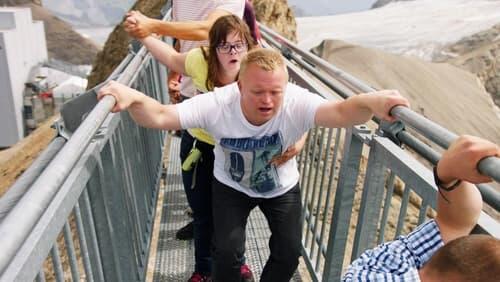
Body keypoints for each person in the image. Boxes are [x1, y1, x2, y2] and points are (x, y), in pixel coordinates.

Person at [97, 48, 410, 281]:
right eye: (258, 91)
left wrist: (372, 102)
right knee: (226, 254)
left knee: (288, 253)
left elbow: (343, 112)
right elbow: (163, 116)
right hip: (231, 186)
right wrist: (134, 99)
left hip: (280, 187)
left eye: (275, 92)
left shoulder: (295, 102)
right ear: (239, 87)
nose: (268, 101)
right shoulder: (218, 104)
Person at [137, 14, 264, 281]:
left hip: (236, 152)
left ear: (248, 46)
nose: (232, 52)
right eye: (224, 45)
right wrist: (144, 35)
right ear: (212, 48)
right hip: (200, 147)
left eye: (238, 45)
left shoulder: (255, 65)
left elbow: (280, 93)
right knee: (204, 212)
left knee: (234, 214)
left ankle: (236, 264)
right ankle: (203, 271)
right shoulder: (199, 61)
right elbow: (172, 59)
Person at [343, 135, 500, 281]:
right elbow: (455, 222)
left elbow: (455, 222)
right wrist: (446, 173)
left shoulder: (379, 267)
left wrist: (447, 175)